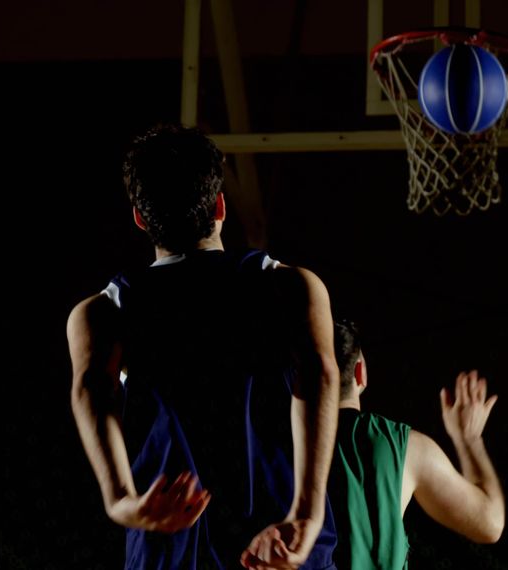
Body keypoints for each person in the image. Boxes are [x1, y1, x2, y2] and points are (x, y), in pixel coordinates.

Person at [67, 124, 340, 570]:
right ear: (220, 205)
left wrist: (121, 501)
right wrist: (306, 514)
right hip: (278, 541)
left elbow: (91, 391)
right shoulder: (290, 286)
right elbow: (321, 374)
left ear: (139, 217)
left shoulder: (101, 313)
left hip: (171, 543)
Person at [325, 318, 505, 569]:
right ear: (360, 373)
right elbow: (491, 523)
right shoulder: (404, 446)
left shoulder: (275, 448)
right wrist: (470, 440)